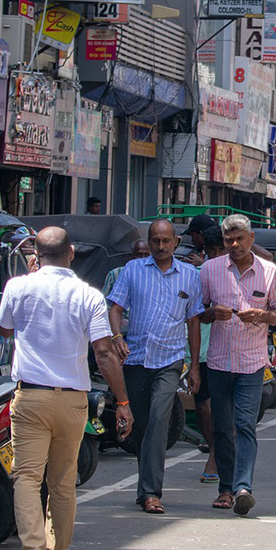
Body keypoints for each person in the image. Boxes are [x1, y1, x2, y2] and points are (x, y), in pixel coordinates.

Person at [0, 227, 133, 550]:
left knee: (26, 477)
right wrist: (122, 401)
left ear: (37, 255)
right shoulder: (88, 295)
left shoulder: (18, 287)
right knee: (62, 482)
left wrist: (27, 280)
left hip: (31, 397)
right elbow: (104, 352)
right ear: (71, 252)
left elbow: (4, 329)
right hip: (72, 400)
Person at [107, 218, 204, 514]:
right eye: (155, 241)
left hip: (169, 361)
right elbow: (115, 308)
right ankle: (145, 487)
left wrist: (195, 365)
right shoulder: (133, 270)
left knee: (160, 421)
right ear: (149, 243)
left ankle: (151, 492)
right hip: (135, 359)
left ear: (176, 242)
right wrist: (116, 337)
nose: (160, 247)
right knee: (142, 426)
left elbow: (194, 321)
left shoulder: (189, 275)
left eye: (166, 241)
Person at [200, 214, 276, 514]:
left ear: (251, 239)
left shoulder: (270, 272)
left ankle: (243, 487)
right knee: (223, 428)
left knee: (245, 425)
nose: (234, 245)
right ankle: (225, 488)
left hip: (252, 364)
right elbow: (198, 312)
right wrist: (214, 313)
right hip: (218, 363)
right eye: (228, 240)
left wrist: (261, 316)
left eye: (239, 239)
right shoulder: (210, 270)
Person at [192, 226, 225, 484]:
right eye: (213, 251)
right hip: (201, 351)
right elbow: (196, 312)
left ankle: (219, 456)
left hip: (230, 353)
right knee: (203, 407)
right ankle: (214, 449)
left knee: (224, 408)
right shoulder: (202, 272)